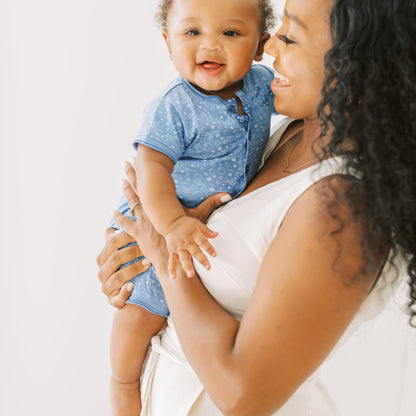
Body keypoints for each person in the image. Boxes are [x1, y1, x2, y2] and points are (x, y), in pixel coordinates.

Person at [98, 0, 416, 414]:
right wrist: (132, 262)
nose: (269, 50)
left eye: (291, 35)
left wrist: (162, 254)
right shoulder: (285, 133)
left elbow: (243, 396)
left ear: (359, 63)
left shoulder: (343, 205)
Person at [108, 0, 277, 414]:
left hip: (201, 233)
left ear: (260, 46)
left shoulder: (262, 85)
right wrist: (172, 224)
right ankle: (122, 387)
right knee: (139, 318)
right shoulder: (175, 105)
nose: (211, 45)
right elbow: (151, 168)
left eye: (231, 33)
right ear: (168, 42)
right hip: (161, 218)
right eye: (192, 32)